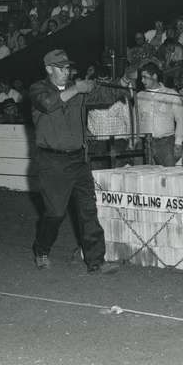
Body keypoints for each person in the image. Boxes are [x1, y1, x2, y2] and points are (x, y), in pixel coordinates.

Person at [29, 49, 126, 273]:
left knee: (88, 211)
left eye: (67, 68)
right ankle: (41, 249)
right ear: (48, 69)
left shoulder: (79, 89)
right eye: (61, 68)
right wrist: (77, 89)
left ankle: (96, 261)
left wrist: (122, 83)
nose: (66, 71)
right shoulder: (38, 89)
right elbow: (48, 104)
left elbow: (104, 96)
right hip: (52, 162)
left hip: (79, 159)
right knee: (55, 213)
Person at [137, 62, 183, 167]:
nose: (142, 81)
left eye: (145, 77)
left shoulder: (171, 94)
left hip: (166, 143)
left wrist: (178, 143)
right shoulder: (139, 96)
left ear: (154, 76)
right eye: (141, 77)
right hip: (145, 144)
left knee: (169, 176)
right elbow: (136, 120)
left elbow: (180, 120)